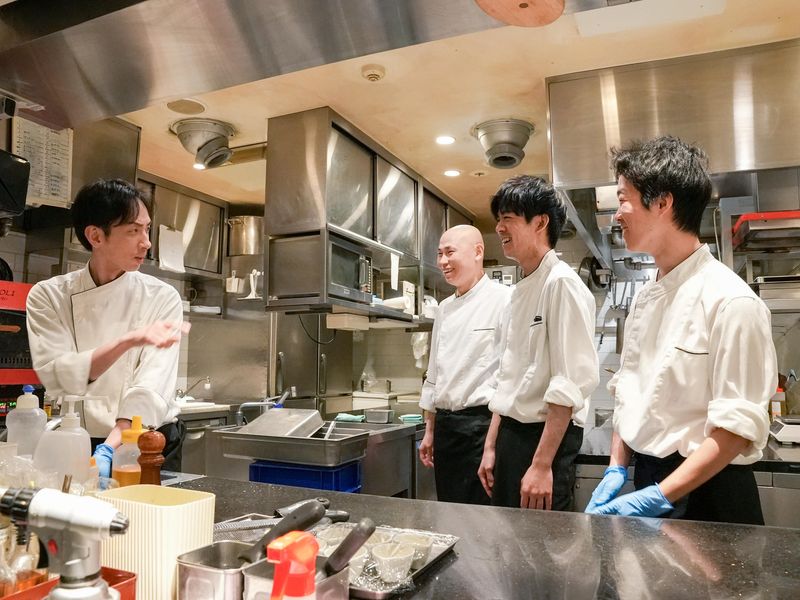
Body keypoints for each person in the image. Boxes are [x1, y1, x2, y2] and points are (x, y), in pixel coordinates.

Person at [585, 136, 777, 523]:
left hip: (710, 495)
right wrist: (617, 466)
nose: (617, 215)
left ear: (662, 202)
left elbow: (735, 430)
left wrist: (660, 495)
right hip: (650, 479)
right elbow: (628, 392)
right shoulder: (644, 299)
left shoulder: (731, 301)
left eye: (623, 199)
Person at [26, 179, 188, 478]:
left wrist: (109, 449)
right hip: (78, 439)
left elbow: (150, 386)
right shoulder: (48, 295)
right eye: (133, 231)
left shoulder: (161, 296)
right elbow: (60, 374)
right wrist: (128, 341)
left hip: (148, 440)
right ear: (96, 236)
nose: (146, 242)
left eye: (147, 229)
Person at [479, 175, 599, 510]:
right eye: (498, 219)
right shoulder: (518, 291)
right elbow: (508, 377)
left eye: (508, 218)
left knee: (541, 540)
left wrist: (542, 464)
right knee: (506, 537)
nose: (499, 228)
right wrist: (491, 446)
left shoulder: (561, 284)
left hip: (543, 441)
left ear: (541, 222)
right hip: (511, 436)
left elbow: (568, 383)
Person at [418, 225, 511, 504]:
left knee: (482, 516)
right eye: (439, 254)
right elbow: (434, 374)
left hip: (482, 428)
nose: (443, 261)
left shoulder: (504, 299)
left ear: (477, 252)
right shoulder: (444, 308)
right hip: (446, 429)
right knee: (449, 511)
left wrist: (491, 446)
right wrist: (430, 430)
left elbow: (508, 378)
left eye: (450, 252)